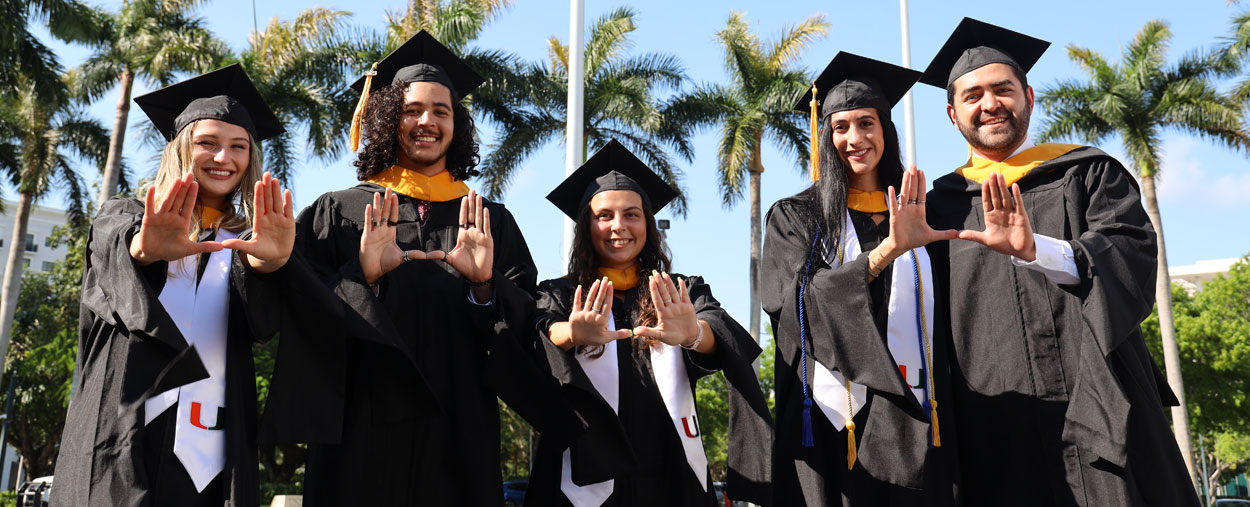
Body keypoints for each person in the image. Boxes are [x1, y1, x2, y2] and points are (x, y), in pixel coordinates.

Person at [290, 30, 581, 506]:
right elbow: (298, 310)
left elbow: (525, 328)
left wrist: (484, 288)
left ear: (456, 125)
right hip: (360, 430)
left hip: (458, 429)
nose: (427, 121)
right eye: (412, 110)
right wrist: (361, 276)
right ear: (387, 119)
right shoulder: (339, 211)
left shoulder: (489, 220)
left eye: (440, 111)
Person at [920, 17, 1199, 507]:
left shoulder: (1088, 172)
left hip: (1102, 408)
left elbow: (1130, 258)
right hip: (992, 425)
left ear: (1028, 96)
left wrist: (1038, 251)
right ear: (951, 114)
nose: (989, 104)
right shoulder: (937, 207)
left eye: (1002, 90)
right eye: (973, 96)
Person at [52, 64, 295, 507]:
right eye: (208, 143)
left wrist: (266, 266)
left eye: (238, 146)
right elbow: (121, 267)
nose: (224, 158)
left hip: (209, 451)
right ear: (181, 147)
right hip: (122, 439)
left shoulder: (243, 242)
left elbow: (261, 325)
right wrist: (145, 250)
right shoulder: (123, 215)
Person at [525, 140, 773, 506]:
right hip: (582, 474)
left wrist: (692, 334)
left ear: (648, 224)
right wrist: (572, 333)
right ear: (585, 225)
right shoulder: (563, 294)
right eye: (604, 215)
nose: (618, 226)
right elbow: (537, 330)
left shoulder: (676, 292)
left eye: (631, 214)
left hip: (670, 470)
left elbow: (716, 329)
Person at [762, 52, 961, 506]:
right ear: (826, 135)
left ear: (885, 130)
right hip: (838, 420)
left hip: (920, 411)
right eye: (841, 127)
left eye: (867, 123)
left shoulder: (921, 213)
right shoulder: (798, 218)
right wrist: (889, 250)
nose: (855, 138)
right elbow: (798, 304)